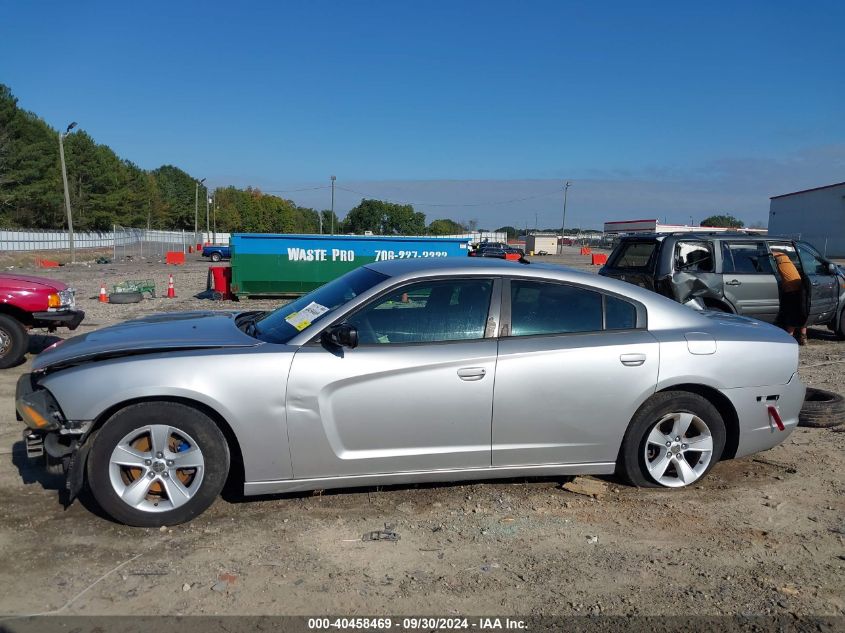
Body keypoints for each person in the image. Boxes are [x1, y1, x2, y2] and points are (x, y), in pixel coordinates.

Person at [772, 249, 808, 345]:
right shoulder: (784, 257)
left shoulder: (774, 257)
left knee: (792, 315)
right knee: (804, 313)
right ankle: (803, 337)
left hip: (791, 289)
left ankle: (789, 338)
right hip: (799, 287)